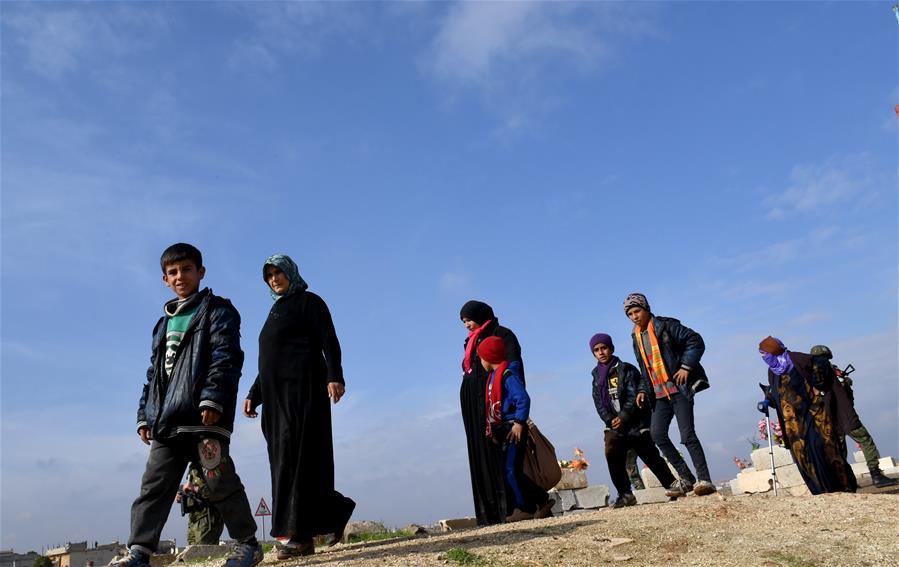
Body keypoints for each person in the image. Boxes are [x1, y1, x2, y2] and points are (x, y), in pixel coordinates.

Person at [112, 243, 262, 567]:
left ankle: (248, 544)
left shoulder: (218, 311)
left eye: (187, 269)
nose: (180, 276)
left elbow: (226, 357)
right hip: (167, 422)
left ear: (201, 273)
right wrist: (144, 414)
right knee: (154, 486)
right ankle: (139, 552)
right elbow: (154, 374)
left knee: (219, 480)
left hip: (204, 418)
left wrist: (214, 398)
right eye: (173, 272)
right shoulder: (163, 324)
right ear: (165, 279)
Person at [243, 254, 355, 559]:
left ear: (291, 272)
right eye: (269, 276)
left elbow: (328, 339)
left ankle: (298, 537)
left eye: (279, 273)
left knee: (301, 461)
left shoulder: (309, 302)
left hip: (303, 391)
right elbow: (269, 361)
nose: (274, 279)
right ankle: (334, 511)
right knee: (284, 464)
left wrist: (335, 375)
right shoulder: (275, 310)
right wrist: (255, 393)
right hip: (276, 401)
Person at [624, 293, 716, 497]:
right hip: (658, 394)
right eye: (630, 314)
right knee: (657, 435)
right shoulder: (636, 336)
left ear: (646, 308)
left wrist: (686, 367)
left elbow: (695, 340)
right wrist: (642, 390)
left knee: (687, 435)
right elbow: (644, 367)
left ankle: (705, 480)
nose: (634, 317)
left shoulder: (665, 326)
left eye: (637, 311)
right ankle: (687, 479)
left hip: (678, 389)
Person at [588, 333, 680, 507]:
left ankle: (673, 485)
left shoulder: (627, 369)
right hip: (614, 426)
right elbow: (598, 402)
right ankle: (625, 494)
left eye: (604, 348)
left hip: (634, 422)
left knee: (649, 454)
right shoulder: (595, 376)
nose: (601, 352)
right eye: (596, 350)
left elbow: (632, 394)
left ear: (611, 348)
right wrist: (610, 419)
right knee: (612, 454)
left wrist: (623, 416)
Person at [759, 337, 857, 494]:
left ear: (773, 351)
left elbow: (822, 363)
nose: (763, 358)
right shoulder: (772, 371)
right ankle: (820, 491)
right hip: (794, 425)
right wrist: (768, 400)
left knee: (824, 450)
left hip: (815, 415)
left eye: (764, 354)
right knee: (804, 456)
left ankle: (843, 487)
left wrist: (818, 382)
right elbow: (778, 393)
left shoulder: (797, 359)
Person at [459, 300, 524, 525]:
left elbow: (511, 369)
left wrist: (515, 413)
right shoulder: (471, 341)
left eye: (469, 319)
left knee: (501, 459)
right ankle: (489, 513)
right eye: (464, 321)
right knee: (480, 455)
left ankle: (514, 507)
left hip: (496, 407)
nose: (467, 324)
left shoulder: (501, 334)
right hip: (474, 406)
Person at [477, 337, 553, 522]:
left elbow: (523, 399)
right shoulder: (492, 379)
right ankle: (535, 503)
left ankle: (530, 505)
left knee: (512, 470)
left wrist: (519, 422)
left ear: (489, 357)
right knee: (508, 471)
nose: (481, 362)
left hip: (514, 428)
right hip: (503, 430)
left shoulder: (507, 375)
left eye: (481, 358)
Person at [809, 345, 896, 488]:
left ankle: (845, 482)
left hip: (830, 419)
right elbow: (846, 394)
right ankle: (876, 475)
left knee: (839, 451)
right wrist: (846, 381)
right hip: (845, 415)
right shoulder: (831, 370)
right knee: (865, 440)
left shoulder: (811, 375)